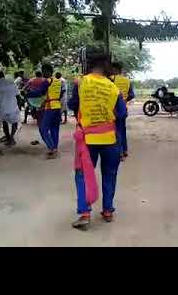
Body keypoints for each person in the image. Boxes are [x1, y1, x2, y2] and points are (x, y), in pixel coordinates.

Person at [68, 47, 127, 230]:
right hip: (110, 140)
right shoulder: (113, 88)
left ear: (89, 65)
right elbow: (122, 113)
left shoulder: (81, 83)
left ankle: (85, 213)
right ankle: (108, 210)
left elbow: (72, 105)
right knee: (110, 174)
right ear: (105, 66)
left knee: (82, 174)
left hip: (87, 140)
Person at [27, 64, 64, 159]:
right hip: (58, 107)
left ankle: (52, 149)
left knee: (43, 129)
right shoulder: (58, 81)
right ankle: (54, 148)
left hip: (50, 107)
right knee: (54, 129)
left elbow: (39, 92)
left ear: (47, 71)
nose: (43, 73)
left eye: (43, 71)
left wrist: (28, 93)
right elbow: (60, 94)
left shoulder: (47, 81)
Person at [111, 61, 135, 160]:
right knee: (122, 129)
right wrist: (124, 100)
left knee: (116, 130)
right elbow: (132, 95)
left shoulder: (112, 79)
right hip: (123, 108)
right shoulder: (127, 80)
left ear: (115, 69)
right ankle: (125, 150)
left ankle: (119, 152)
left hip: (114, 109)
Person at [0, 71, 21, 147]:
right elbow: (18, 96)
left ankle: (8, 138)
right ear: (3, 76)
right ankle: (11, 137)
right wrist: (19, 106)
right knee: (15, 122)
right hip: (12, 106)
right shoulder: (11, 83)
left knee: (4, 122)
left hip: (2, 107)